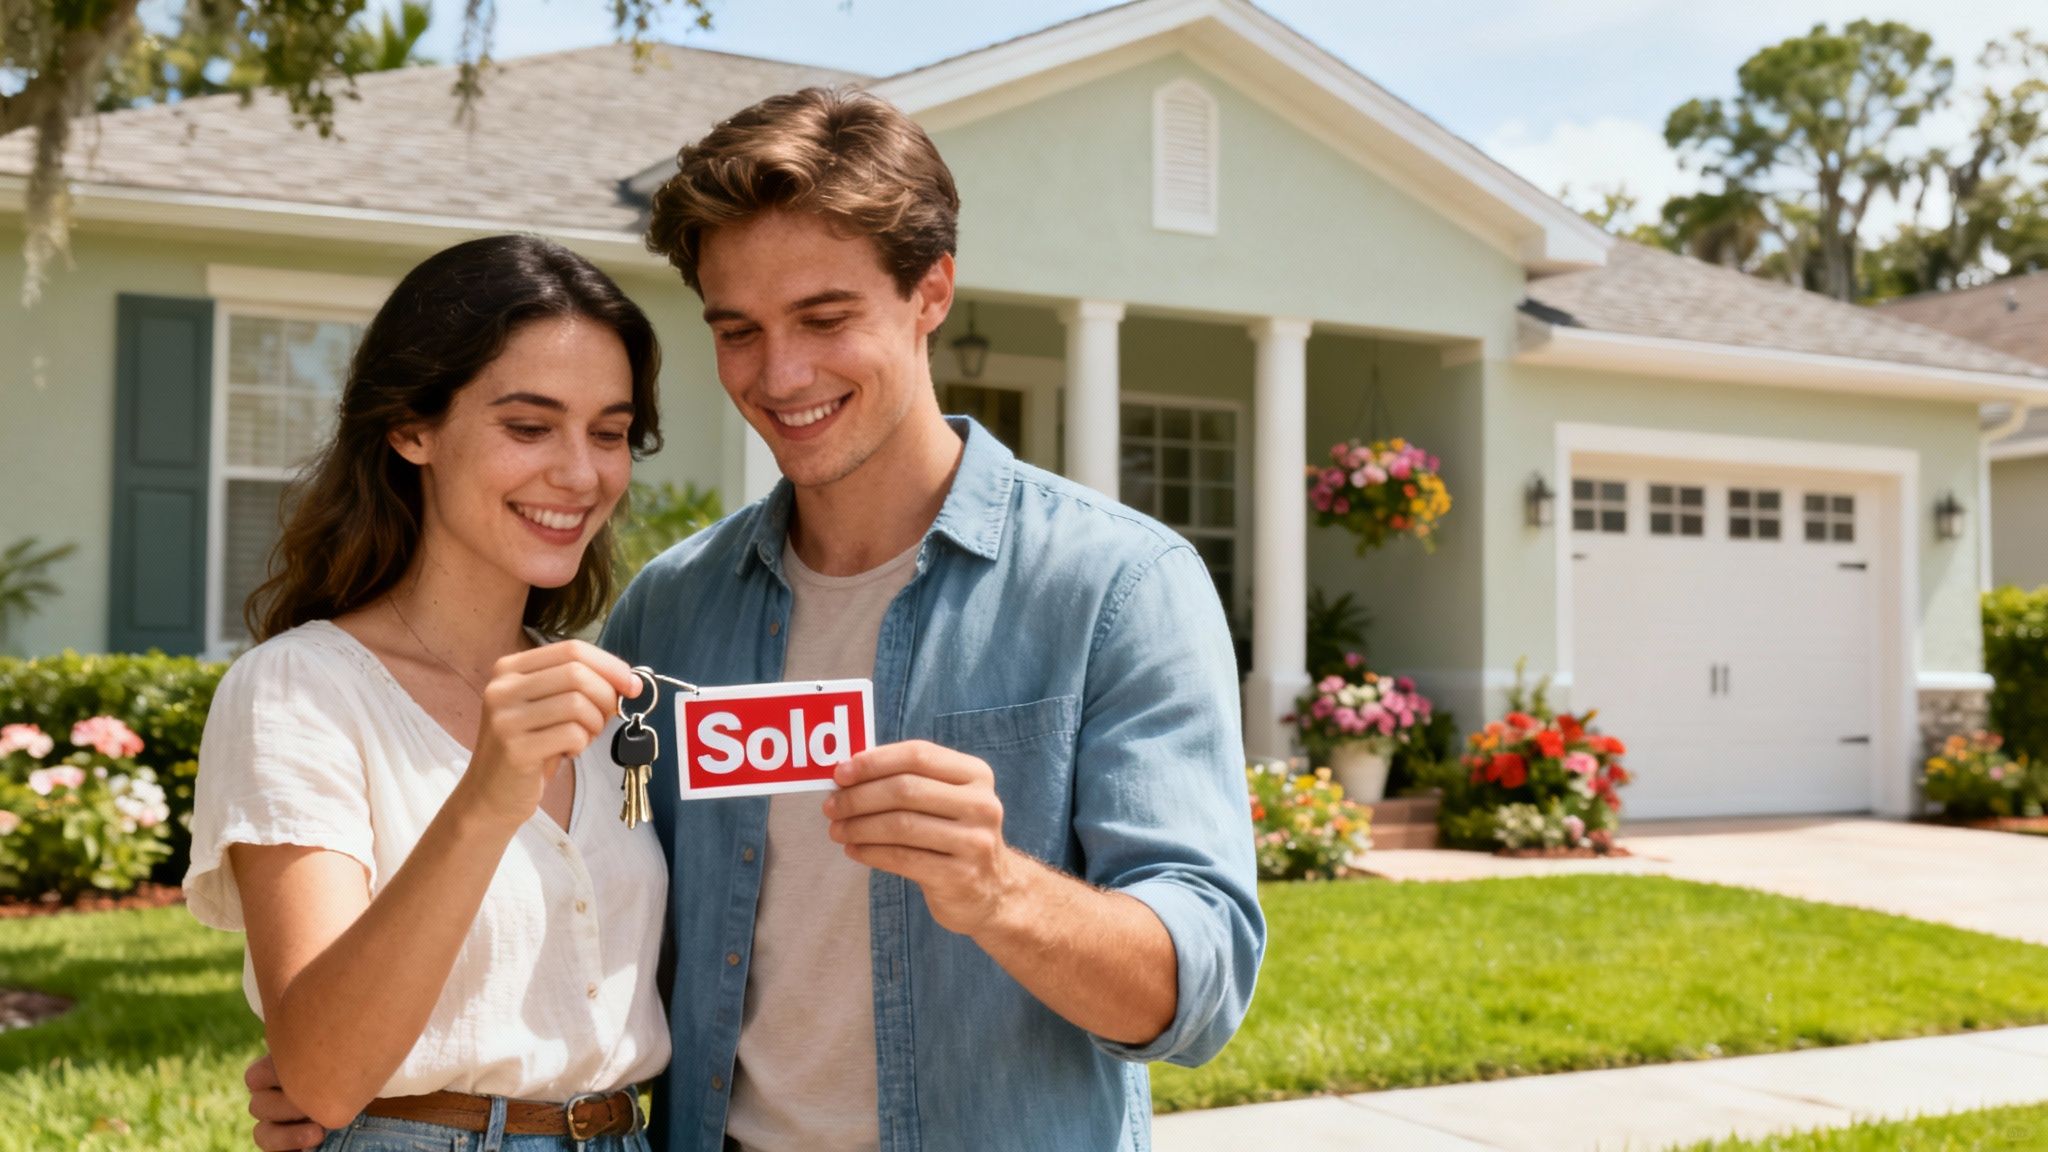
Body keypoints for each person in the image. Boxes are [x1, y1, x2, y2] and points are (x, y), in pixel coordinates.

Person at [250, 86, 1263, 1152]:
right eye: (738, 332)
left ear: (930, 294)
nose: (780, 376)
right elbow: (601, 928)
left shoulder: (1117, 588)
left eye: (825, 320)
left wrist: (999, 889)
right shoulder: (671, 612)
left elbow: (1199, 993)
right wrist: (381, 1095)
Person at [188, 233, 671, 1152]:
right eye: (528, 427)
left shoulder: (607, 698)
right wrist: (486, 800)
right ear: (412, 428)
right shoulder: (299, 692)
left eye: (609, 433)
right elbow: (324, 1072)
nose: (580, 473)